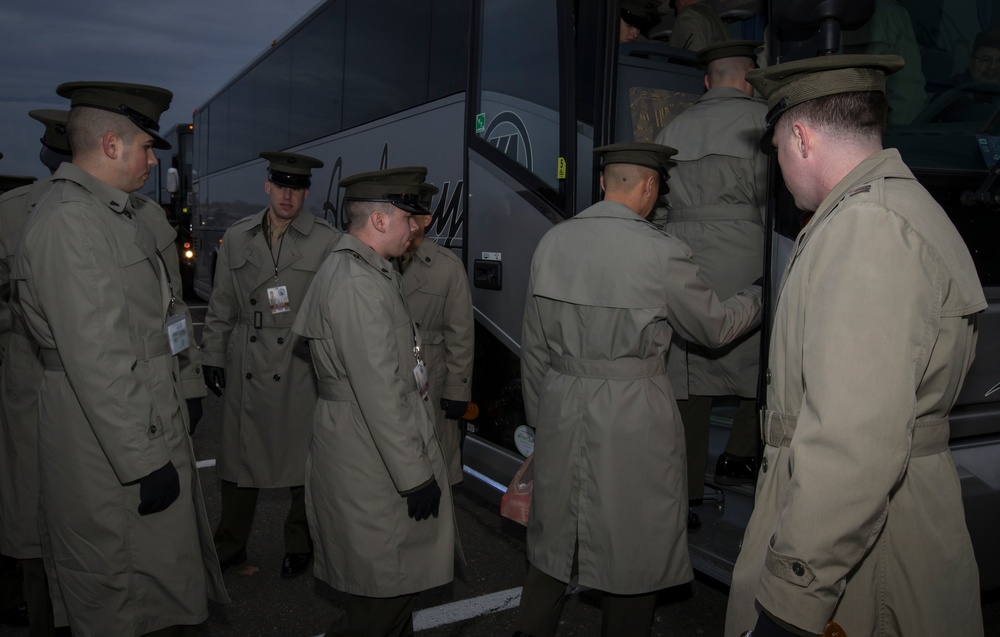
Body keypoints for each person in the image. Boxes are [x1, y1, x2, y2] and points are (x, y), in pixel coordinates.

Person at [726, 54, 987, 637]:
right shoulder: (890, 209)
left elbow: (852, 444)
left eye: (776, 149)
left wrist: (791, 601)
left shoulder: (869, 229)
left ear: (800, 136)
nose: (780, 166)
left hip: (873, 565)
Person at [514, 142, 762, 637]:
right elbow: (712, 329)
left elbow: (534, 346)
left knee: (556, 534)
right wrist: (758, 294)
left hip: (562, 401)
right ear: (649, 186)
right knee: (634, 537)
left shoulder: (553, 242)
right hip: (632, 412)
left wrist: (544, 423)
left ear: (604, 183)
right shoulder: (661, 252)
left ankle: (529, 628)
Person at [11, 81, 228, 636]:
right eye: (145, 147)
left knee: (149, 588)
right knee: (121, 592)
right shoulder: (71, 224)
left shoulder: (112, 215)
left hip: (135, 423)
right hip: (111, 448)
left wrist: (184, 388)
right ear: (110, 145)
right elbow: (99, 359)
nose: (153, 161)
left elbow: (163, 317)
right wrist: (144, 461)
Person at [292, 166, 459, 637]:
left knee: (391, 588)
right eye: (412, 221)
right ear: (382, 221)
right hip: (372, 457)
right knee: (381, 595)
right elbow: (381, 392)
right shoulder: (358, 282)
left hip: (368, 446)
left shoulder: (366, 270)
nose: (417, 232)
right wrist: (416, 477)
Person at [201, 151, 339, 579]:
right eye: (281, 185)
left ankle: (300, 542)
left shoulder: (327, 240)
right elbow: (222, 300)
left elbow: (334, 307)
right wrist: (211, 354)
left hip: (299, 357)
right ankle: (230, 543)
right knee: (238, 456)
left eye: (296, 188)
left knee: (302, 456)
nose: (288, 195)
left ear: (307, 192)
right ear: (267, 186)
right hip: (249, 353)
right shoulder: (239, 236)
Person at [652, 39, 767, 529]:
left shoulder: (671, 128)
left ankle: (688, 491)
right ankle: (741, 455)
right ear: (750, 77)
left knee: (688, 377)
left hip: (683, 259)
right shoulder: (764, 123)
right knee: (763, 363)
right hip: (746, 256)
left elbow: (655, 207)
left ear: (707, 79)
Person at [398, 182, 474, 487]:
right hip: (388, 376)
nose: (406, 220)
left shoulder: (448, 267)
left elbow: (460, 335)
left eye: (413, 214)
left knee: (436, 465)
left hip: (430, 379)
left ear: (427, 219)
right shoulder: (380, 261)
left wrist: (457, 392)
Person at [840, 0, 927, 124]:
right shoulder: (891, 15)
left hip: (810, 133)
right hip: (866, 133)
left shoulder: (805, 9)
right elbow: (907, 103)